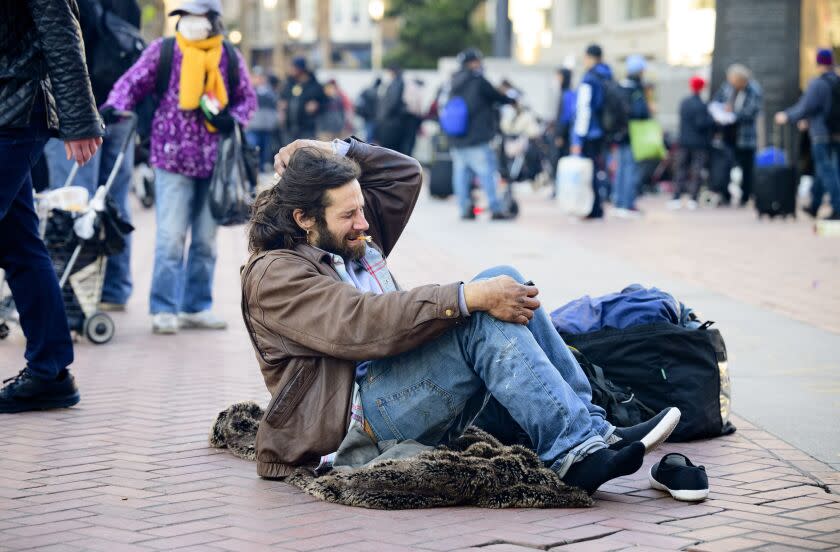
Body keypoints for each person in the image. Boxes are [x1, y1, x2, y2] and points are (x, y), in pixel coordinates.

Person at [241, 137, 682, 494]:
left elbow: (403, 175)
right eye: (351, 213)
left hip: (394, 386)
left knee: (503, 277)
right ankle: (572, 452)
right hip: (353, 423)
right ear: (304, 218)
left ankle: (593, 430)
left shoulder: (343, 237)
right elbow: (363, 321)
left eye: (361, 208)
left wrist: (334, 150)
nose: (364, 222)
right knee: (477, 311)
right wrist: (465, 297)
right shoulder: (276, 276)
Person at [101, 0, 256, 334]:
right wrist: (113, 106)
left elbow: (248, 99)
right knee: (170, 237)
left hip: (215, 162)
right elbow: (132, 82)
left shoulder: (227, 56)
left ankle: (196, 306)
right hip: (170, 158)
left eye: (196, 15)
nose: (189, 21)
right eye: (184, 15)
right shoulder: (164, 51)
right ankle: (163, 307)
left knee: (205, 240)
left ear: (213, 20)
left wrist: (234, 119)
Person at [0, 0, 105, 412]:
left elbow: (61, 33)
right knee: (18, 246)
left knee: (19, 247)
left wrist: (79, 120)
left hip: (16, 105)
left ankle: (50, 371)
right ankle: (50, 373)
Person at [42, 0, 141, 312]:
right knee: (114, 200)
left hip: (75, 112)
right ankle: (114, 288)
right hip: (120, 109)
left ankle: (72, 295)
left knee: (74, 201)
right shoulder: (128, 4)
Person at [447, 48, 516, 220]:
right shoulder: (478, 80)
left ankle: (464, 209)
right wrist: (511, 99)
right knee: (487, 173)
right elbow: (496, 96)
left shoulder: (454, 81)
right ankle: (496, 208)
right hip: (476, 137)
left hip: (457, 138)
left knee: (461, 176)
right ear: (473, 63)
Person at [775, 48, 840, 220]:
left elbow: (806, 107)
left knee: (826, 170)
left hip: (821, 133)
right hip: (836, 132)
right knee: (824, 170)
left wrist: (786, 116)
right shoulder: (838, 80)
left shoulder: (818, 83)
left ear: (818, 63)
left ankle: (837, 207)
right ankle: (815, 204)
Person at [571, 44, 614, 219]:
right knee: (599, 168)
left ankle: (592, 206)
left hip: (590, 132)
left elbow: (583, 110)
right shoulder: (608, 75)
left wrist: (577, 139)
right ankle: (599, 203)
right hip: (604, 130)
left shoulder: (589, 79)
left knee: (589, 171)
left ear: (589, 57)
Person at [713, 64, 762, 207]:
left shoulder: (754, 91)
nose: (731, 83)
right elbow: (717, 101)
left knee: (747, 169)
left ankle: (745, 197)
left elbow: (752, 112)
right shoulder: (727, 87)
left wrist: (732, 112)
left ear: (741, 80)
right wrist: (721, 110)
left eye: (734, 81)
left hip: (745, 137)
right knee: (726, 166)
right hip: (728, 136)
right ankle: (725, 196)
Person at [613, 54, 651, 217]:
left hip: (619, 134)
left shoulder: (620, 87)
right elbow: (641, 112)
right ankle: (627, 203)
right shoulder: (636, 89)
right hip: (633, 134)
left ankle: (619, 201)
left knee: (621, 168)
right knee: (630, 169)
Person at [670, 76, 715, 210]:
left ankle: (676, 197)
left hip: (684, 141)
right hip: (699, 143)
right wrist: (712, 120)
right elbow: (701, 123)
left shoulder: (684, 102)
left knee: (681, 169)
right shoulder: (701, 105)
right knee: (696, 170)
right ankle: (692, 198)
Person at [280, 57, 326, 143]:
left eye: (293, 67)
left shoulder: (315, 86)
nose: (291, 70)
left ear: (301, 69)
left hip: (307, 130)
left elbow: (325, 102)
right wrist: (282, 106)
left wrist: (317, 105)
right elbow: (282, 98)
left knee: (304, 154)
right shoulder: (289, 84)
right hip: (289, 128)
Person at [246, 66, 280, 173]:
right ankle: (253, 170)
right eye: (256, 77)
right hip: (253, 126)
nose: (259, 79)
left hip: (267, 127)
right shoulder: (249, 91)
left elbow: (275, 108)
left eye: (260, 77)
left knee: (265, 151)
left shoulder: (270, 92)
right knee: (253, 149)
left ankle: (261, 169)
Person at [375, 65, 408, 153]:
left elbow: (393, 102)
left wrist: (384, 116)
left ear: (392, 72)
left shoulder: (396, 83)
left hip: (391, 123)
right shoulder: (400, 82)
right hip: (396, 121)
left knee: (390, 150)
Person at [355, 77, 381, 143]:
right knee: (370, 135)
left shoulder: (367, 90)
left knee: (367, 133)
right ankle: (368, 149)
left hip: (365, 116)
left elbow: (359, 100)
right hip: (372, 117)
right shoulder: (376, 92)